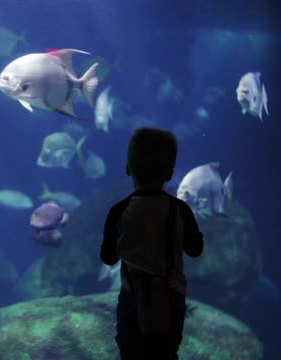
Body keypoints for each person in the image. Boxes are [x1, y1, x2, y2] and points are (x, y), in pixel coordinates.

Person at [100, 128, 203, 360]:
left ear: (128, 168)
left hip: (131, 301)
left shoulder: (118, 211)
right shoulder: (181, 210)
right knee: (166, 353)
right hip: (171, 301)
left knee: (130, 353)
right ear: (169, 173)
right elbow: (195, 250)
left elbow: (108, 257)